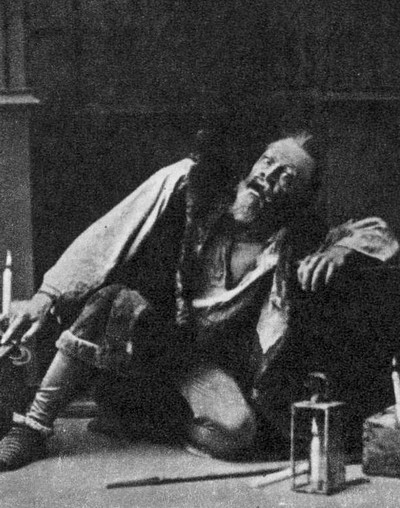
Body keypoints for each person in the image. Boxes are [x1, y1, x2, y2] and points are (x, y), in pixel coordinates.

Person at [0, 128, 397, 471]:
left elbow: (380, 234)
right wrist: (46, 296)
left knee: (238, 433)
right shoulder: (187, 183)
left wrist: (338, 250)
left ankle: (137, 417)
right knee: (113, 300)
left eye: (286, 177)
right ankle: (32, 427)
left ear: (299, 197)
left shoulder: (291, 243)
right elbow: (106, 237)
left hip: (194, 362)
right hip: (143, 336)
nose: (268, 176)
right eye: (267, 161)